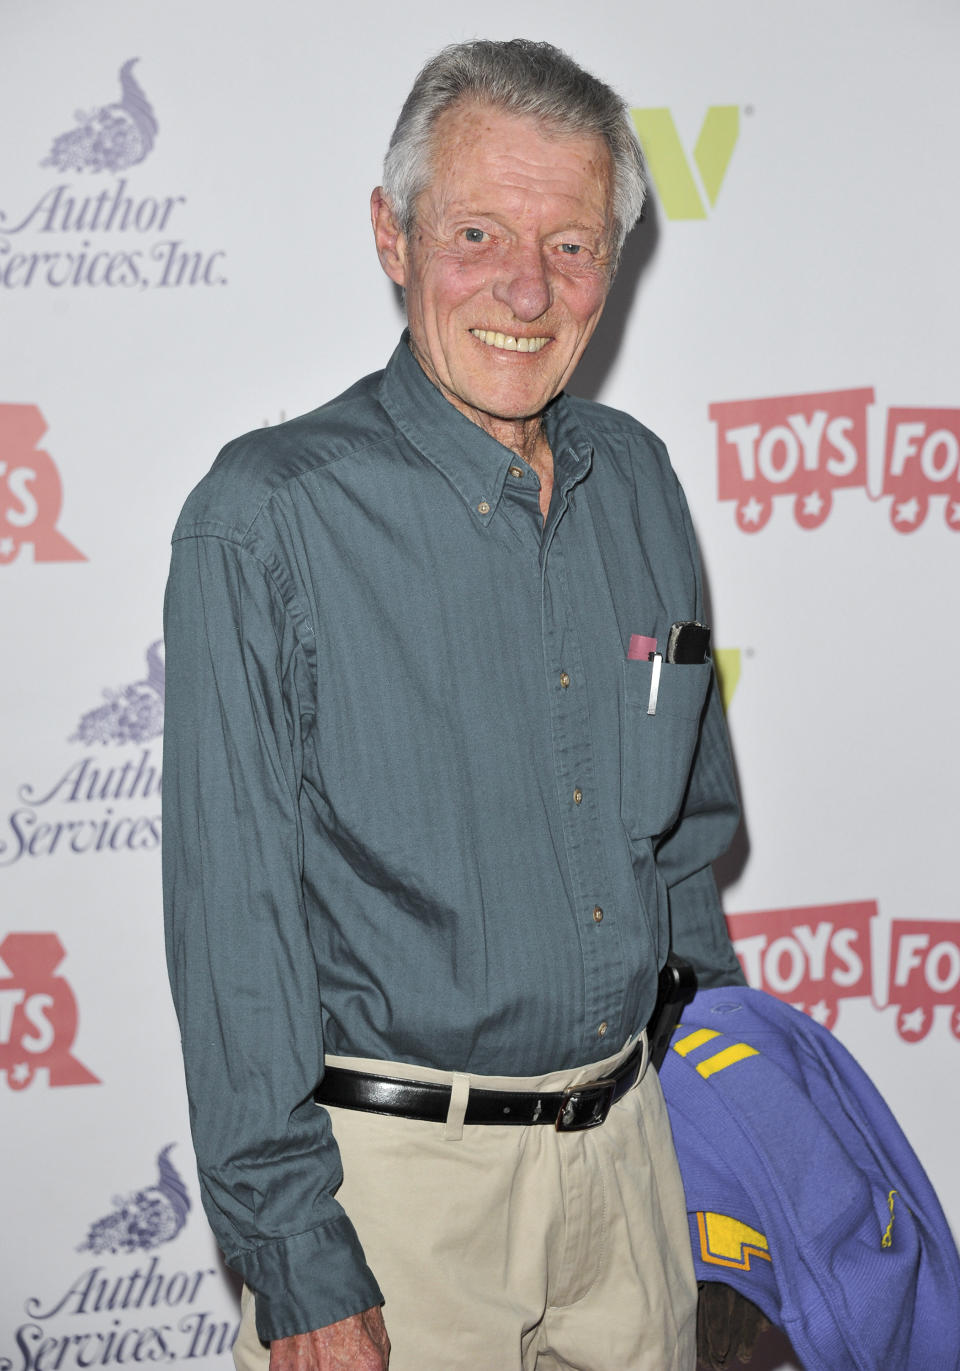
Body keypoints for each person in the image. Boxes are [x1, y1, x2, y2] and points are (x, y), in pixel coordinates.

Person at [162, 37, 745, 1371]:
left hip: (632, 1177)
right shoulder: (267, 517)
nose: (526, 289)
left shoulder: (640, 477)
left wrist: (706, 1101)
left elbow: (683, 831)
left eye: (573, 245)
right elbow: (232, 936)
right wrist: (299, 1260)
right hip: (396, 1207)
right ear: (393, 233)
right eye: (478, 231)